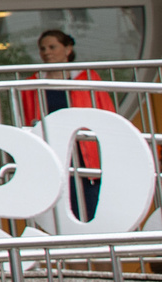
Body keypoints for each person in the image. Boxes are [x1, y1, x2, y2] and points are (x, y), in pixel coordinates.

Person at [19, 29, 115, 222]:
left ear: (68, 49)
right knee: (58, 202)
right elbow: (28, 118)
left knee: (90, 203)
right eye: (43, 48)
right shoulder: (34, 82)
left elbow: (106, 112)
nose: (47, 52)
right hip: (52, 150)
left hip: (83, 150)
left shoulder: (87, 77)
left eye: (52, 47)